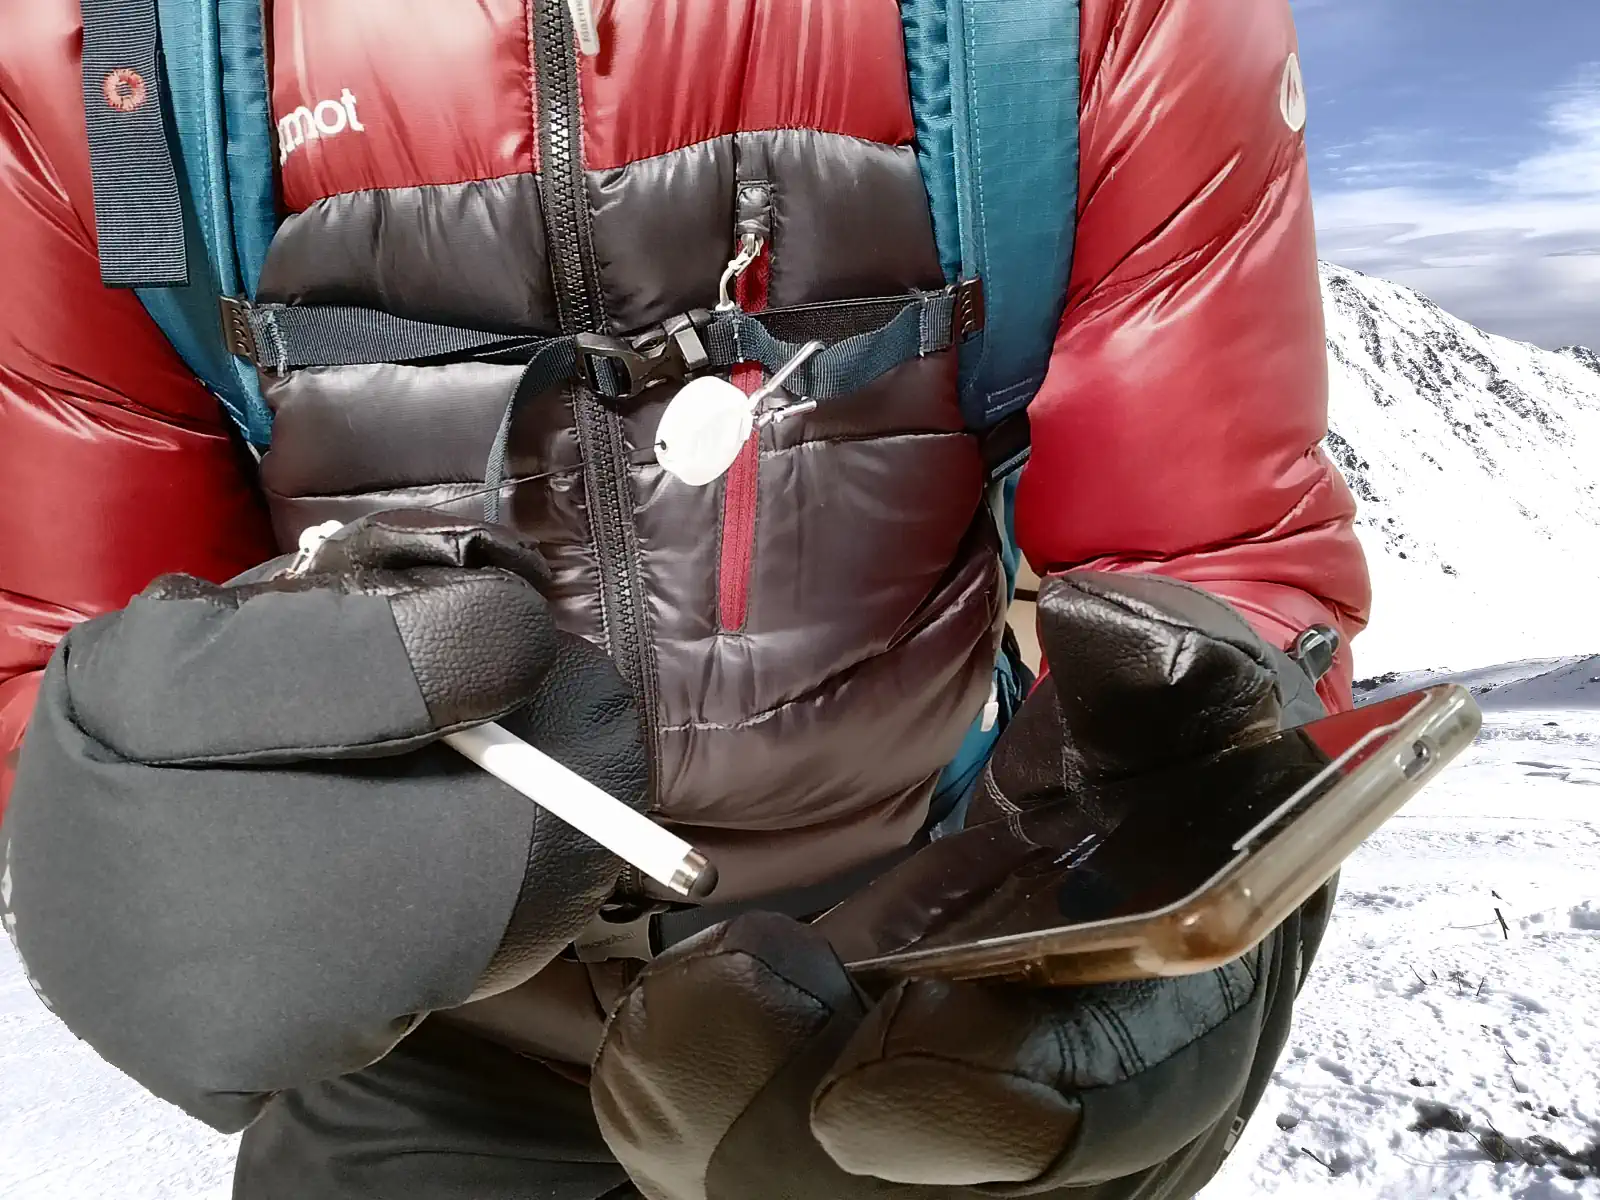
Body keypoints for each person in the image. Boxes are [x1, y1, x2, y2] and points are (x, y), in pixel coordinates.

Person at [0, 1, 1371, 1197]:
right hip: (420, 1039)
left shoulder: (1077, 21)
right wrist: (131, 826)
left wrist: (1169, 849)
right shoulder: (106, 57)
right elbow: (75, 662)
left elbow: (1220, 568)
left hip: (919, 971)